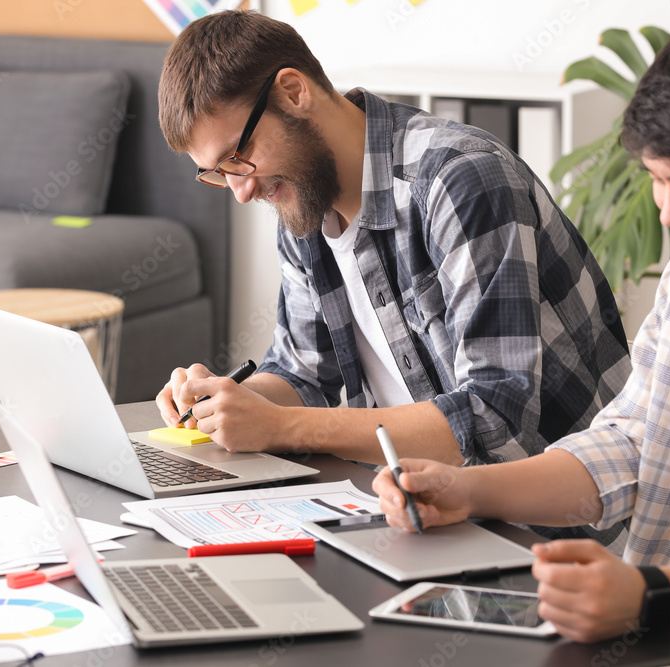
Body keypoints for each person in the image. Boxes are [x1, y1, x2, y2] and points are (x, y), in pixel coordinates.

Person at [374, 10, 670, 642]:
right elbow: (635, 440)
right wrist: (470, 490)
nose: (669, 211)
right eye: (655, 180)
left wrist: (648, 595)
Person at [154, 11, 629, 481]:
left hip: (553, 526)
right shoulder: (301, 202)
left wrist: (284, 426)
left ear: (294, 93)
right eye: (218, 173)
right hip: (418, 502)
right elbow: (302, 375)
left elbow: (494, 420)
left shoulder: (460, 180)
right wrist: (224, 402)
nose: (241, 190)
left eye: (238, 157)